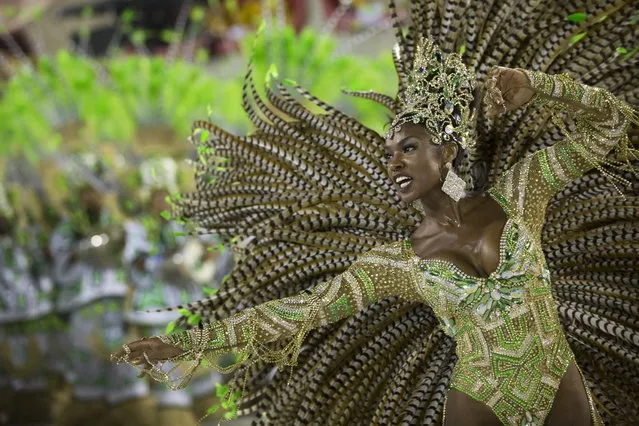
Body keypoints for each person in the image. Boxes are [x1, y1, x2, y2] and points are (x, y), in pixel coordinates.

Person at [113, 1, 638, 425]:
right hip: (479, 405)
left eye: (407, 148)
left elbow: (612, 124)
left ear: (446, 149)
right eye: (389, 153)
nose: (394, 161)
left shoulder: (523, 193)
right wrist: (188, 341)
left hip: (562, 386)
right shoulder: (400, 264)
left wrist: (539, 85)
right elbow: (303, 310)